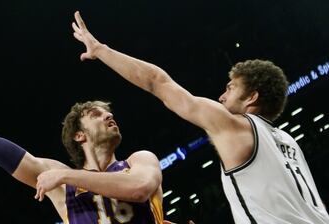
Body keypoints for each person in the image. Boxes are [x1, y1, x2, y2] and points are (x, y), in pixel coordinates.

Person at [71, 11, 329, 224]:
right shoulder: (287, 140)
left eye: (230, 88)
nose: (221, 97)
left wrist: (100, 49)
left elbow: (157, 82)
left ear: (251, 98)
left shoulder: (237, 126)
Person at [0, 37, 164, 224]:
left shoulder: (139, 161)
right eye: (96, 114)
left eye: (107, 112)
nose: (109, 115)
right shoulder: (60, 186)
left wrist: (68, 176)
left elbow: (139, 188)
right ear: (79, 135)